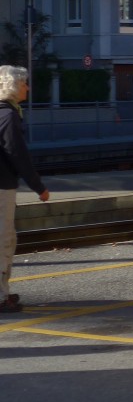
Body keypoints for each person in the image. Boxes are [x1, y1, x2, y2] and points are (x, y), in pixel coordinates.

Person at [0, 66, 51, 314]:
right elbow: (17, 155)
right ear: (13, 87)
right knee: (4, 241)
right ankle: (1, 297)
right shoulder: (8, 117)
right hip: (1, 188)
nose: (28, 88)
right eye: (24, 84)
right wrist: (39, 187)